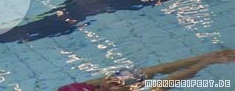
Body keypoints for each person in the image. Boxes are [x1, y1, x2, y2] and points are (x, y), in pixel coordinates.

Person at [58, 49, 235, 91]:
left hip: (97, 86)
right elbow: (94, 84)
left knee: (162, 84)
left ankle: (208, 61)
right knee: (157, 71)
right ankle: (206, 57)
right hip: (94, 86)